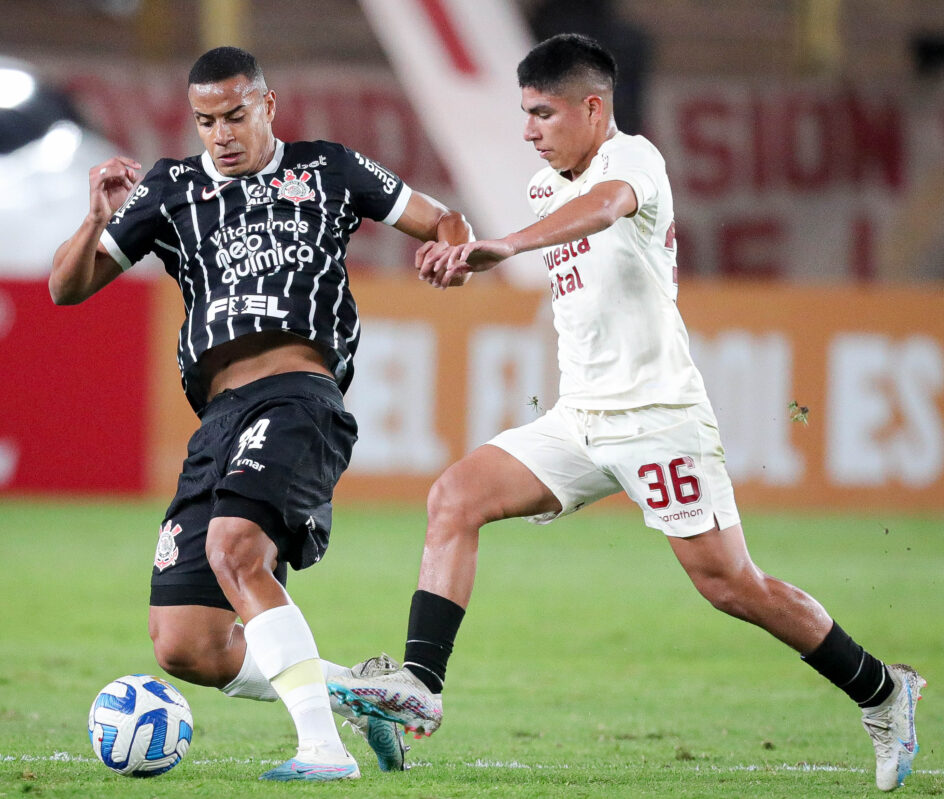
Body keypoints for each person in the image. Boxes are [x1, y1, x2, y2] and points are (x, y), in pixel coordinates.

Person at [327, 34, 926, 793]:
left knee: (731, 584)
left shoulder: (633, 161)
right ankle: (418, 682)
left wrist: (502, 245)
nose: (528, 130)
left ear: (592, 108)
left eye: (542, 113)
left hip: (658, 418)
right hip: (580, 420)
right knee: (454, 497)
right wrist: (479, 255)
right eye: (523, 114)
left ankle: (883, 691)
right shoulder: (547, 188)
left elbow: (605, 209)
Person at [50, 46, 471, 782]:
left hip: (298, 396)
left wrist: (451, 252)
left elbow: (444, 221)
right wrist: (95, 220)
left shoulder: (327, 168)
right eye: (206, 121)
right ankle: (358, 697)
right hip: (217, 420)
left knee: (237, 545)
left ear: (267, 106)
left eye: (235, 115)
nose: (221, 133)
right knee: (186, 643)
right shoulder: (170, 188)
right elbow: (66, 287)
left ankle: (323, 750)